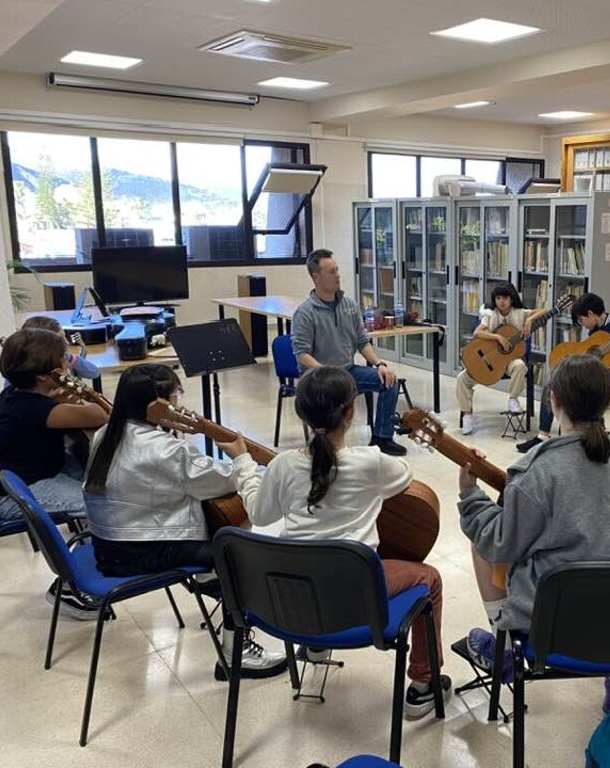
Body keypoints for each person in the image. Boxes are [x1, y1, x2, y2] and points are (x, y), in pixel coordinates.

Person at [247, 366, 450, 719]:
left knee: (315, 561)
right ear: (351, 411)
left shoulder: (281, 466)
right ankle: (423, 684)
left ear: (301, 413)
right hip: (357, 596)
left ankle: (314, 647)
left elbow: (259, 515)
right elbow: (404, 477)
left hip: (295, 597)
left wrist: (242, 466)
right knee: (429, 577)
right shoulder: (371, 462)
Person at [457, 355, 610, 712]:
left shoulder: (537, 470)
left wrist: (470, 496)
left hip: (556, 612)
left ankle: (503, 646)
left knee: (482, 538)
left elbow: (502, 543)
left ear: (553, 399)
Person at [83, 364, 286, 678]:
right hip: (140, 551)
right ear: (157, 405)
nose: (179, 399)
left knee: (214, 542)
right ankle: (237, 652)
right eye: (174, 394)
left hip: (106, 546)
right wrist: (243, 458)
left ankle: (210, 581)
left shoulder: (105, 432)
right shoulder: (166, 449)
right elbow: (222, 480)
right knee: (238, 556)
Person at [0, 328, 109, 619]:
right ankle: (68, 588)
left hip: (28, 474)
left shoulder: (14, 394)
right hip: (11, 495)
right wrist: (71, 396)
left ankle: (91, 552)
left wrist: (63, 395)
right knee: (101, 502)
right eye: (62, 360)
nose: (67, 364)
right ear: (46, 375)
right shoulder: (41, 409)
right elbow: (99, 414)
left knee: (99, 480)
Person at [293, 249, 406, 456]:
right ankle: (325, 444)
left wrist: (380, 364)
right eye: (331, 272)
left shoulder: (350, 306)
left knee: (390, 381)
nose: (337, 275)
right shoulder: (305, 313)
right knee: (330, 397)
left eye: (337, 270)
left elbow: (363, 342)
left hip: (348, 371)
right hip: (319, 378)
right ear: (316, 277)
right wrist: (328, 373)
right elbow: (302, 354)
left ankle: (382, 437)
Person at [516, 292, 610, 453]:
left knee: (586, 384)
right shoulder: (595, 330)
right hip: (589, 372)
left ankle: (594, 434)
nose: (582, 325)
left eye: (581, 319)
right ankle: (543, 436)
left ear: (591, 314)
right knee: (553, 382)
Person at [456, 283, 547, 436]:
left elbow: (544, 311)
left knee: (519, 365)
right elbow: (477, 333)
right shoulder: (490, 315)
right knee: (461, 378)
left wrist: (529, 320)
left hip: (509, 362)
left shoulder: (520, 313)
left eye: (505, 298)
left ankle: (513, 399)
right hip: (490, 361)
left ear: (511, 299)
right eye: (498, 298)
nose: (501, 301)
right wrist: (498, 337)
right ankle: (467, 415)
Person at [20, 315, 101, 381]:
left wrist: (72, 360)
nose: (67, 343)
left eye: (64, 337)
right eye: (60, 340)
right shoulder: (21, 370)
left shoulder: (65, 357)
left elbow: (94, 372)